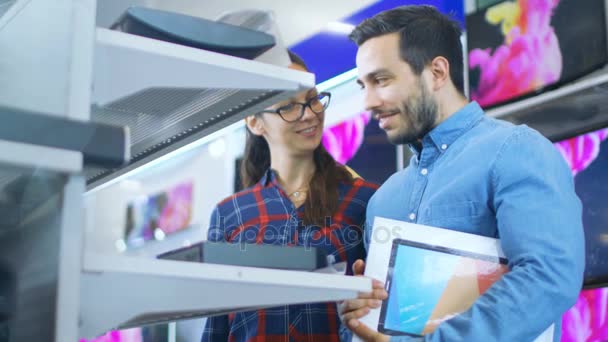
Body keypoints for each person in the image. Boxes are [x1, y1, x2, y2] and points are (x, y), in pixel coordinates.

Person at [339, 5, 584, 342]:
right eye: (362, 85)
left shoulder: (515, 151)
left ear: (438, 72)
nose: (368, 102)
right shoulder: (384, 199)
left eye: (381, 80)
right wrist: (360, 312)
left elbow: (548, 277)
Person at [201, 51, 379, 342]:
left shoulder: (364, 199)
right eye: (288, 107)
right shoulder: (230, 213)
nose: (309, 113)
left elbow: (382, 311)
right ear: (255, 122)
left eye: (312, 99)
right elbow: (217, 324)